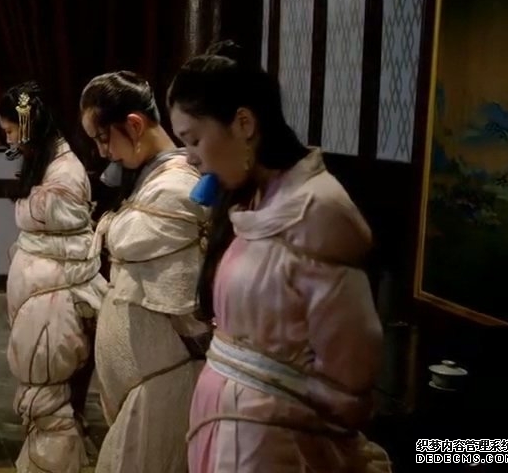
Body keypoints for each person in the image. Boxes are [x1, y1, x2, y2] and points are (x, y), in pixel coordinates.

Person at [167, 41, 391, 472]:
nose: (190, 157)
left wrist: (282, 406)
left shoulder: (317, 209)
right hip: (232, 421)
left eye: (194, 140)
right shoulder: (251, 202)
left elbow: (348, 359)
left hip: (273, 437)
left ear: (244, 123)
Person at [79, 71, 210, 473]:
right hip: (148, 382)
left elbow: (131, 241)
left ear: (134, 125)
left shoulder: (175, 185)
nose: (103, 152)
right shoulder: (150, 179)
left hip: (167, 377)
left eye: (104, 138)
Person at [0, 81, 103, 473]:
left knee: (49, 400)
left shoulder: (64, 171)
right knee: (44, 400)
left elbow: (59, 219)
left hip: (54, 297)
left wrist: (27, 209)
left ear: (28, 125)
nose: (8, 139)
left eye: (11, 130)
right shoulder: (50, 164)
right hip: (43, 291)